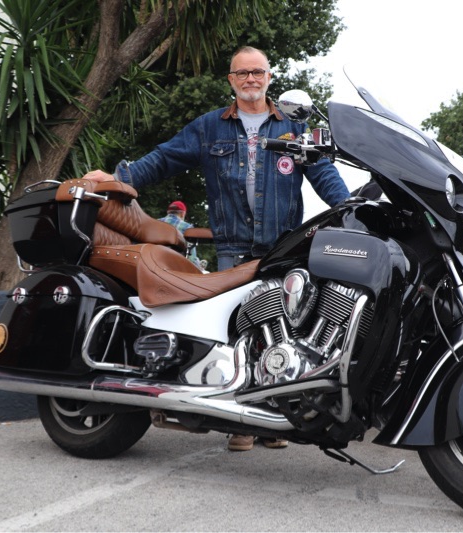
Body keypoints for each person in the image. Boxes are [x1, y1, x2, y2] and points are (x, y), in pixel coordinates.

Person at [82, 45, 350, 451]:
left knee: (279, 328)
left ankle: (269, 418)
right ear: (231, 80)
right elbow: (164, 158)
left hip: (281, 244)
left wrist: (348, 208)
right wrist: (118, 177)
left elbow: (325, 173)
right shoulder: (209, 127)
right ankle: (238, 423)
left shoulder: (294, 128)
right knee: (234, 328)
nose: (250, 80)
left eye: (257, 72)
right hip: (233, 243)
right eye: (242, 74)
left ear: (269, 77)